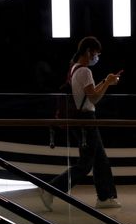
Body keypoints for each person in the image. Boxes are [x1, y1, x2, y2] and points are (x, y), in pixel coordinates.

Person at [40, 36, 122, 211]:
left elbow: (88, 94)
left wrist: (105, 82)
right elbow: (93, 99)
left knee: (100, 160)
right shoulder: (85, 71)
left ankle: (105, 197)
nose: (96, 57)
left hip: (81, 119)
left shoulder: (74, 68)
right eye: (96, 54)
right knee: (86, 164)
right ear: (88, 51)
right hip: (86, 120)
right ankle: (50, 189)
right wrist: (107, 83)